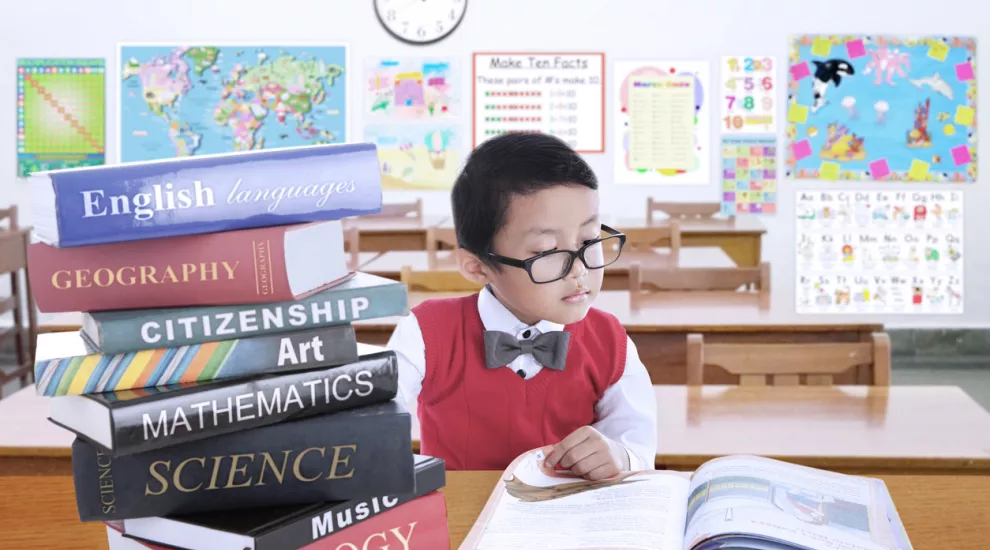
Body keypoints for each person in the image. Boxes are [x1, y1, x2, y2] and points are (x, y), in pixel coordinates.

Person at [386, 133, 657, 481]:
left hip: (571, 525)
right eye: (546, 251)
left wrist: (618, 456)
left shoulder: (611, 343)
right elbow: (369, 421)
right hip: (460, 526)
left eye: (589, 241)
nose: (579, 270)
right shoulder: (426, 333)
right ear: (477, 266)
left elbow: (637, 452)